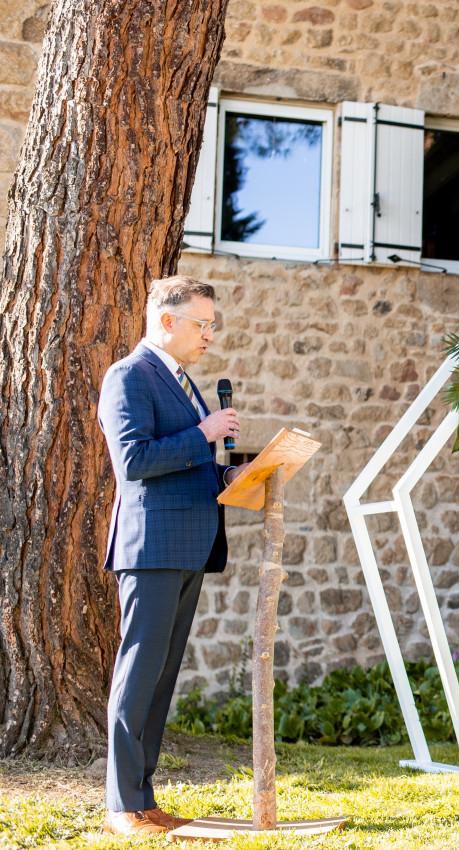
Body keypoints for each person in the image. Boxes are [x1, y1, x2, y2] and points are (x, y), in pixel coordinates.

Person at [98, 276, 245, 835]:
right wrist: (205, 432)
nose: (210, 334)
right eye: (202, 324)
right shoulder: (130, 375)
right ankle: (121, 806)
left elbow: (185, 462)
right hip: (152, 547)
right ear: (166, 320)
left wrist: (228, 476)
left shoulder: (183, 381)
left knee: (160, 679)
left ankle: (143, 799)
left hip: (188, 545)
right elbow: (133, 461)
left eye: (212, 324)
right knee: (139, 673)